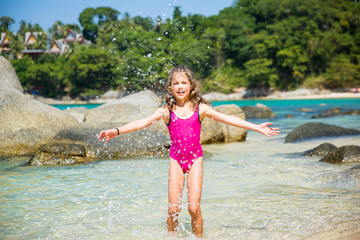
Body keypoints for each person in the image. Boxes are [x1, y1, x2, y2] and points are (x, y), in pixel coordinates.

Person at [97, 65, 279, 237]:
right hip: (176, 160)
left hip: (195, 160)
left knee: (193, 208)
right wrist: (117, 131)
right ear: (170, 88)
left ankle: (199, 238)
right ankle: (172, 236)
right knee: (173, 209)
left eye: (184, 82)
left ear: (191, 86)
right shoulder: (166, 111)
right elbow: (141, 123)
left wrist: (256, 127)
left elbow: (228, 118)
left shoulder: (201, 109)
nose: (180, 86)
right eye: (176, 83)